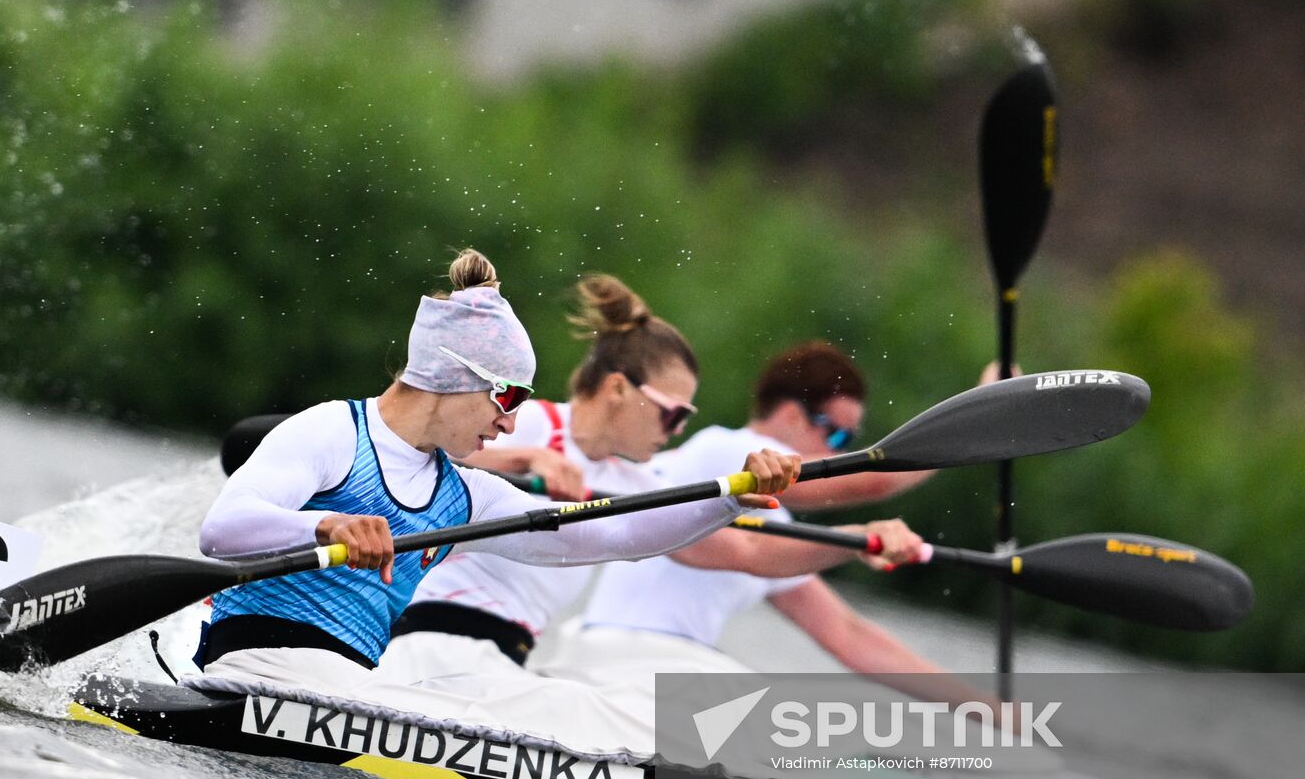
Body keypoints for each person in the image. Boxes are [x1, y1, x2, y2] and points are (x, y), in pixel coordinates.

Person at [192, 249, 801, 704]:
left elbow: (612, 537)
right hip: (252, 668)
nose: (512, 424)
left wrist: (732, 497)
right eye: (507, 398)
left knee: (566, 699)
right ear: (456, 378)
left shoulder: (468, 497)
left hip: (344, 690)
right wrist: (326, 524)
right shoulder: (332, 430)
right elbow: (221, 530)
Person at [375, 278, 926, 686]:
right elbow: (405, 461)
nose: (679, 430)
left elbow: (746, 551)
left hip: (504, 662)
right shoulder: (524, 423)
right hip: (429, 641)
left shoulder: (633, 482)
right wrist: (523, 461)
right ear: (618, 389)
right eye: (671, 413)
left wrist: (844, 539)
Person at [538, 341, 1002, 712]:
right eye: (837, 436)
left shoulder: (772, 526)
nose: (840, 452)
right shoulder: (726, 452)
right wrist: (982, 418)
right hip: (629, 657)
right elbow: (870, 482)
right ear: (791, 416)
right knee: (799, 724)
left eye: (849, 442)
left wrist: (988, 710)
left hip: (636, 665)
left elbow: (848, 635)